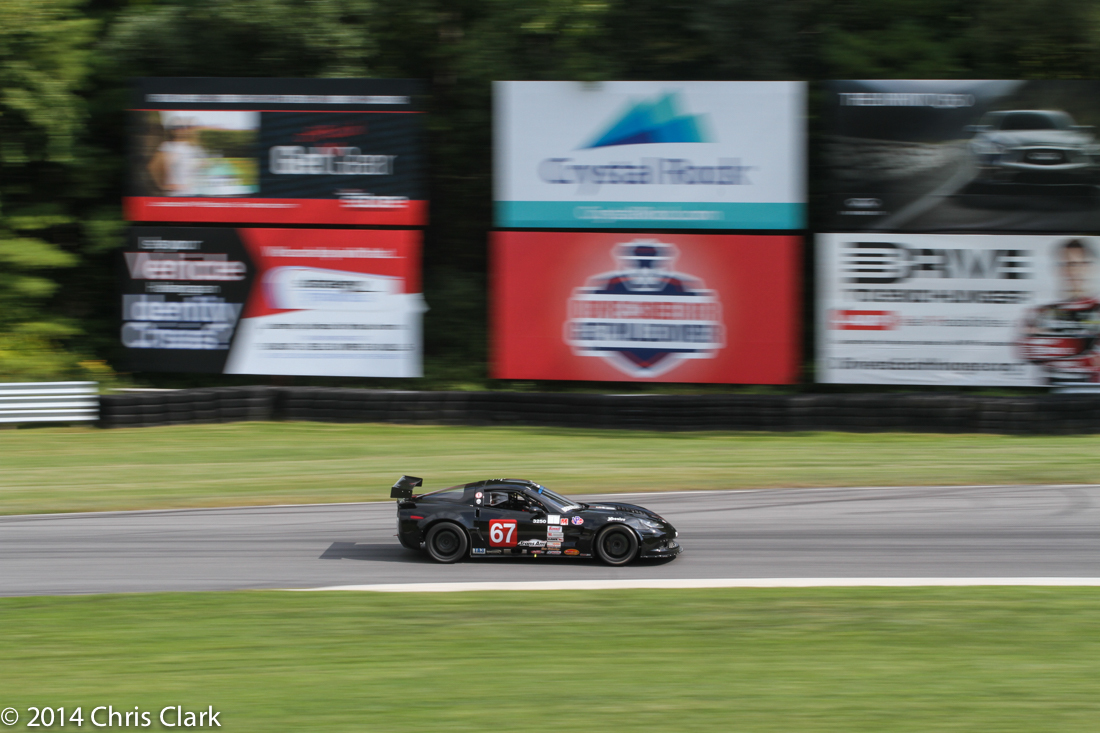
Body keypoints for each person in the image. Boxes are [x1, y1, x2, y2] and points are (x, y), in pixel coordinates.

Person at [1019, 238, 1100, 384]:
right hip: (1050, 389)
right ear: (1057, 269)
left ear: (1090, 267)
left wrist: (1057, 345)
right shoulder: (1040, 313)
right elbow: (1028, 351)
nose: (1073, 271)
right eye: (1066, 264)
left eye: (1079, 264)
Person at [148, 117, 205, 196]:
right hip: (177, 195)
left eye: (183, 127)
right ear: (171, 131)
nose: (181, 130)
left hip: (196, 193)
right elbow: (153, 167)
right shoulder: (167, 146)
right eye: (176, 128)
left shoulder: (194, 148)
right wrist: (165, 186)